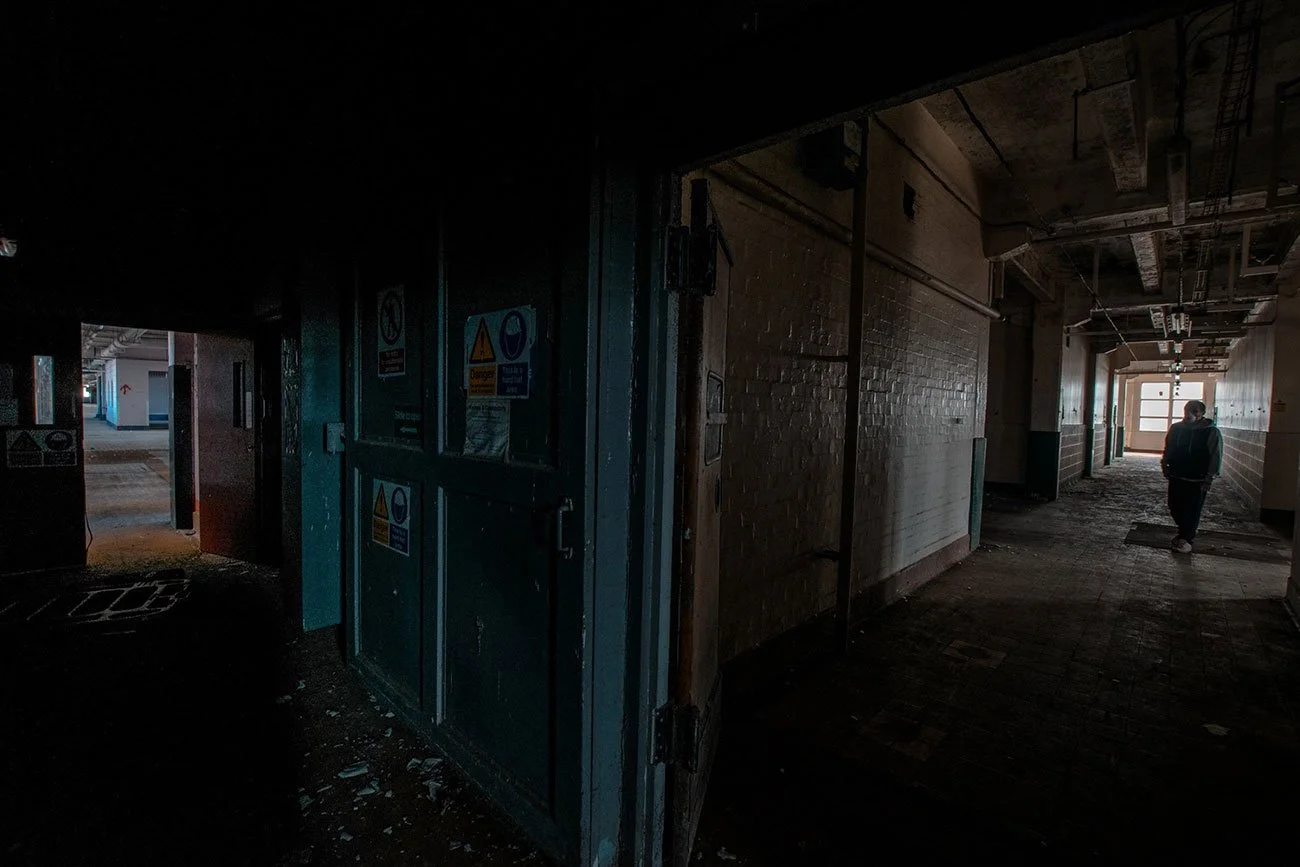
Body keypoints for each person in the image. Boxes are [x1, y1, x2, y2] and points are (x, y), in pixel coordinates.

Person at [1161, 399, 1222, 553]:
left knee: (1193, 509)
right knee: (1174, 506)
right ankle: (1185, 531)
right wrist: (1165, 464)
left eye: (1195, 411)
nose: (1190, 414)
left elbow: (1215, 455)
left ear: (1201, 414)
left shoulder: (1210, 431)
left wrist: (1209, 477)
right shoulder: (1176, 428)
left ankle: (1186, 538)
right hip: (1177, 474)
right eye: (1188, 410)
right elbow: (1169, 447)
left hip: (1197, 477)